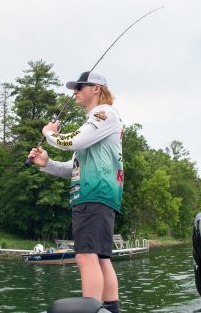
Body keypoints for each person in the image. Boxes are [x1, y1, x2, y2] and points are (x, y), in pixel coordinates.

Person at [28, 70, 124, 313]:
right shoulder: (95, 123)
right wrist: (47, 164)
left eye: (81, 87)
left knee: (85, 257)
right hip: (98, 194)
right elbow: (74, 166)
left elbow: (74, 140)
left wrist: (49, 133)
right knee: (101, 259)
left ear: (97, 89)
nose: (75, 92)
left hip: (94, 193)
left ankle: (91, 310)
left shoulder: (103, 114)